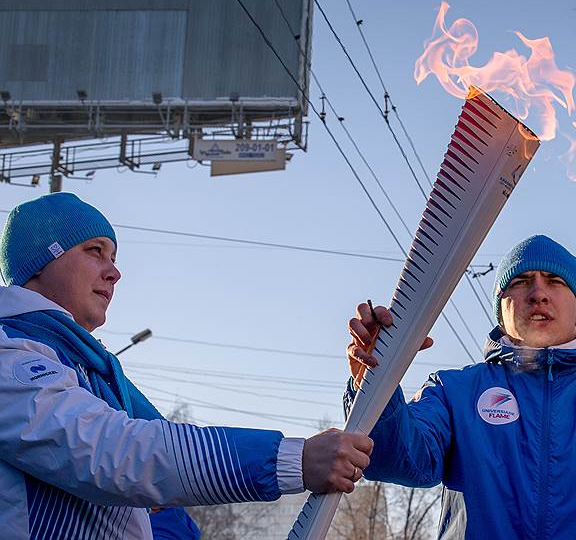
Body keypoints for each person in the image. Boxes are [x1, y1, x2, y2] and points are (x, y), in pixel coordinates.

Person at [0, 193, 373, 539]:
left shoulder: (89, 372)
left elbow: (149, 505)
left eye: (114, 258)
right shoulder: (9, 354)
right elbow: (109, 452)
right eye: (94, 251)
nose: (114, 273)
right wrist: (291, 459)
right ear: (40, 261)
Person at [346, 234, 576, 539]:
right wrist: (374, 381)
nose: (538, 293)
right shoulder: (455, 391)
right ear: (502, 308)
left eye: (556, 282)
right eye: (521, 281)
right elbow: (396, 460)